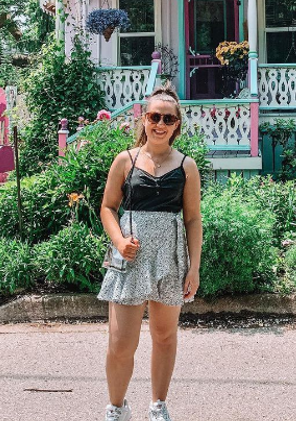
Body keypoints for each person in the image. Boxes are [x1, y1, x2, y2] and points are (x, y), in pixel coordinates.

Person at [98, 87, 202, 421]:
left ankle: (158, 405)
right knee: (121, 343)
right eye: (154, 116)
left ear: (176, 125)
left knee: (164, 336)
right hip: (130, 258)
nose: (160, 123)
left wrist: (194, 267)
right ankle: (117, 407)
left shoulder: (187, 166)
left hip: (169, 259)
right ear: (144, 119)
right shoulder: (124, 161)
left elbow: (192, 218)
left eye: (167, 118)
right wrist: (118, 241)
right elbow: (108, 208)